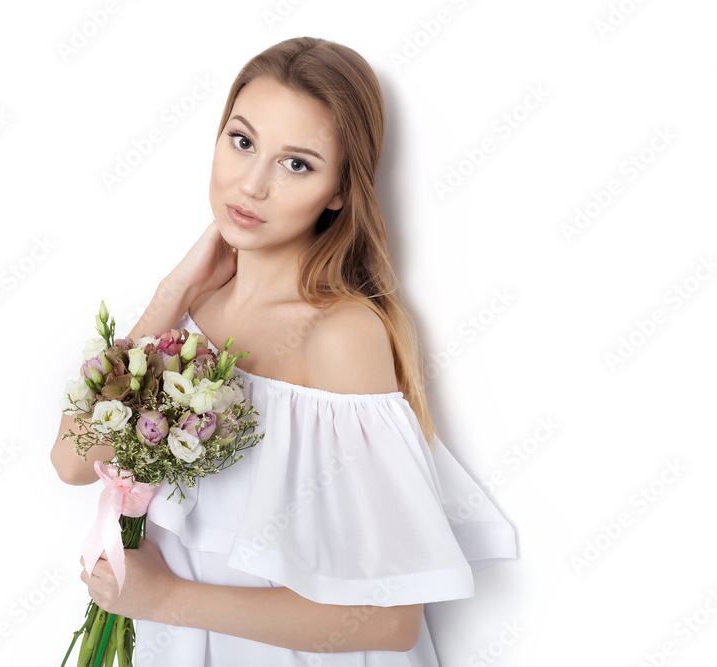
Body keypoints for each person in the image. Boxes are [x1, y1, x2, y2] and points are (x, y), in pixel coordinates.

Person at [51, 36, 517, 665]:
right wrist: (172, 293)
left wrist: (166, 601)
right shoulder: (190, 316)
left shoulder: (341, 335)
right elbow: (73, 461)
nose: (252, 183)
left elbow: (390, 617)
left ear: (339, 191)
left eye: (296, 164)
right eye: (242, 142)